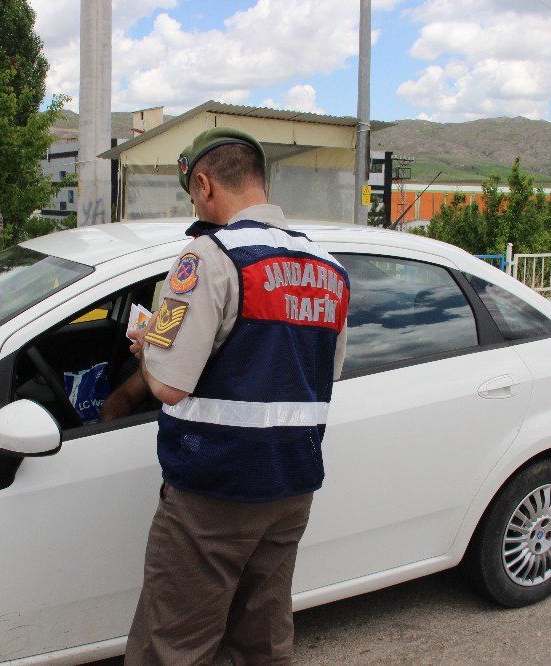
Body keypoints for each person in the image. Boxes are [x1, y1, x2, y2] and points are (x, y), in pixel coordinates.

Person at [124, 127, 350, 664]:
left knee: (173, 645)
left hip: (213, 492)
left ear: (203, 183)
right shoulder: (330, 270)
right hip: (292, 486)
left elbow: (169, 385)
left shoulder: (208, 257)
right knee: (261, 639)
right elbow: (322, 375)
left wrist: (147, 346)